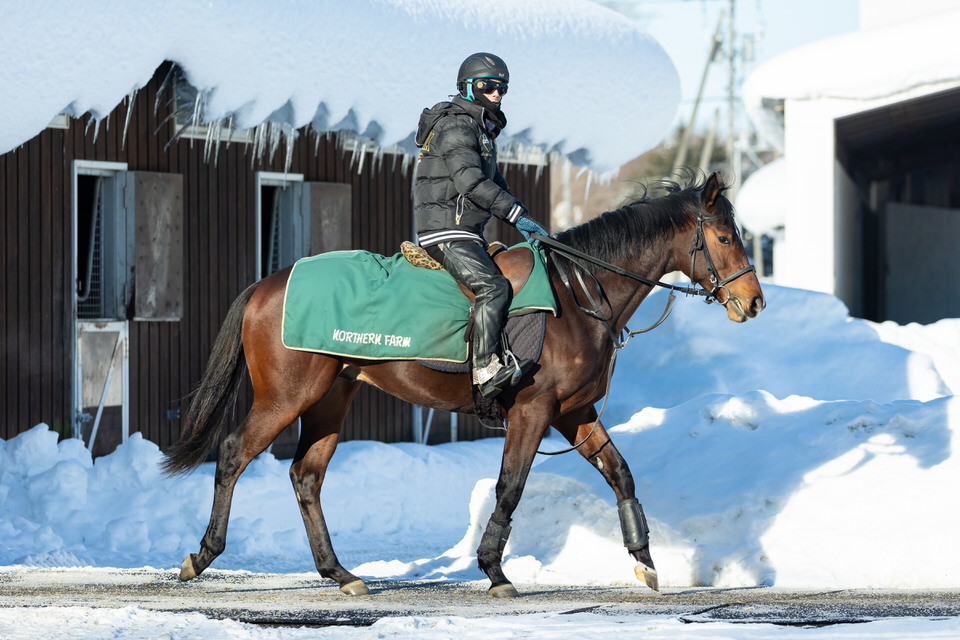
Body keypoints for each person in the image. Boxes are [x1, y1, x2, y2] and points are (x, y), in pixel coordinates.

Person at [413, 52, 548, 398]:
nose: (496, 94)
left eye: (502, 88)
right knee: (493, 287)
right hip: (446, 231)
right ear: (467, 87)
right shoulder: (456, 125)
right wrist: (514, 215)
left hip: (467, 232)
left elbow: (496, 183)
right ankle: (486, 369)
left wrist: (525, 217)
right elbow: (471, 183)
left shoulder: (480, 130)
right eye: (488, 86)